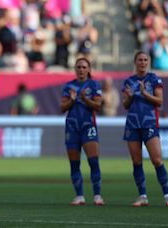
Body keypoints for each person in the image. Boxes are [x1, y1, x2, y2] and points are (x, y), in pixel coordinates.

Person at [122, 51, 168, 207]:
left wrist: (145, 93)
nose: (143, 62)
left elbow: (159, 101)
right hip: (133, 124)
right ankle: (142, 196)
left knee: (157, 159)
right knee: (136, 161)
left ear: (149, 62)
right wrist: (131, 96)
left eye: (145, 60)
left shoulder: (154, 79)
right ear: (135, 62)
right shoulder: (128, 81)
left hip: (150, 123)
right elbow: (125, 105)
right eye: (140, 60)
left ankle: (167, 196)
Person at [60, 57, 105, 206]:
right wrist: (72, 100)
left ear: (89, 69)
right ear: (75, 69)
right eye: (78, 67)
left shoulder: (94, 85)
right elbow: (62, 108)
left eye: (84, 67)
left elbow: (98, 106)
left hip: (88, 126)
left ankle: (97, 195)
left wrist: (85, 98)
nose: (81, 70)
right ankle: (79, 196)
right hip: (72, 127)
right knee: (74, 163)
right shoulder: (69, 86)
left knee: (93, 161)